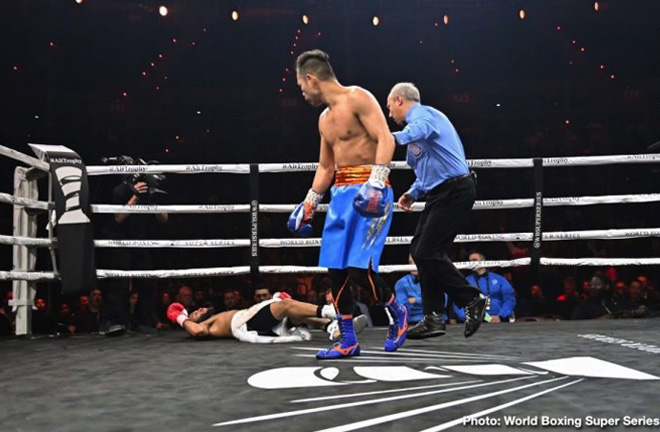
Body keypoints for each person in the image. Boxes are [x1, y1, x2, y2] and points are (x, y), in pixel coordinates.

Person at [288, 49, 407, 359]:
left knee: (359, 270)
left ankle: (398, 310)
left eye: (301, 86)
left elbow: (386, 138)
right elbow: (326, 167)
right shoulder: (324, 120)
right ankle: (348, 340)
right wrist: (310, 202)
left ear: (312, 79)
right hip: (341, 195)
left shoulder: (358, 97)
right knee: (337, 271)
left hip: (371, 191)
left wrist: (377, 182)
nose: (301, 93)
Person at [386, 82, 488, 339]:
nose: (390, 115)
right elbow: (425, 174)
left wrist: (388, 138)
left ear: (399, 100)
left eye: (389, 108)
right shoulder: (414, 135)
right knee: (419, 251)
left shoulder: (424, 115)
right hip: (438, 194)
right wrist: (413, 193)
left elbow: (419, 130)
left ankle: (471, 298)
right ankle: (433, 318)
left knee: (427, 251)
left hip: (455, 189)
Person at [102, 178, 168, 335]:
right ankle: (115, 321)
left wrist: (153, 203)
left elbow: (164, 219)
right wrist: (135, 196)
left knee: (148, 281)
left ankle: (142, 321)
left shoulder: (153, 193)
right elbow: (119, 218)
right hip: (120, 240)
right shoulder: (121, 190)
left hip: (140, 241)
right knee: (120, 282)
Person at [166, 293, 357, 343]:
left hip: (249, 319)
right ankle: (330, 312)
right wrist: (181, 318)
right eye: (195, 312)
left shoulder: (214, 317)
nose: (199, 310)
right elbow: (197, 331)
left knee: (292, 311)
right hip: (246, 324)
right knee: (286, 305)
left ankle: (330, 327)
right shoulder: (205, 325)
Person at [453, 251, 516, 323]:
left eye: (474, 260)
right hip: (475, 322)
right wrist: (469, 318)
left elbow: (509, 299)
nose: (471, 263)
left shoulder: (499, 279)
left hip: (499, 320)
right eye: (469, 261)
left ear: (483, 261)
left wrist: (501, 315)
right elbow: (458, 304)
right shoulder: (465, 282)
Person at [394, 255, 424, 325]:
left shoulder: (435, 279)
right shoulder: (401, 282)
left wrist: (415, 300)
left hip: (435, 321)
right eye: (410, 263)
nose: (413, 266)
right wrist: (425, 302)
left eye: (416, 262)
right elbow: (402, 306)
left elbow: (443, 303)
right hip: (411, 321)